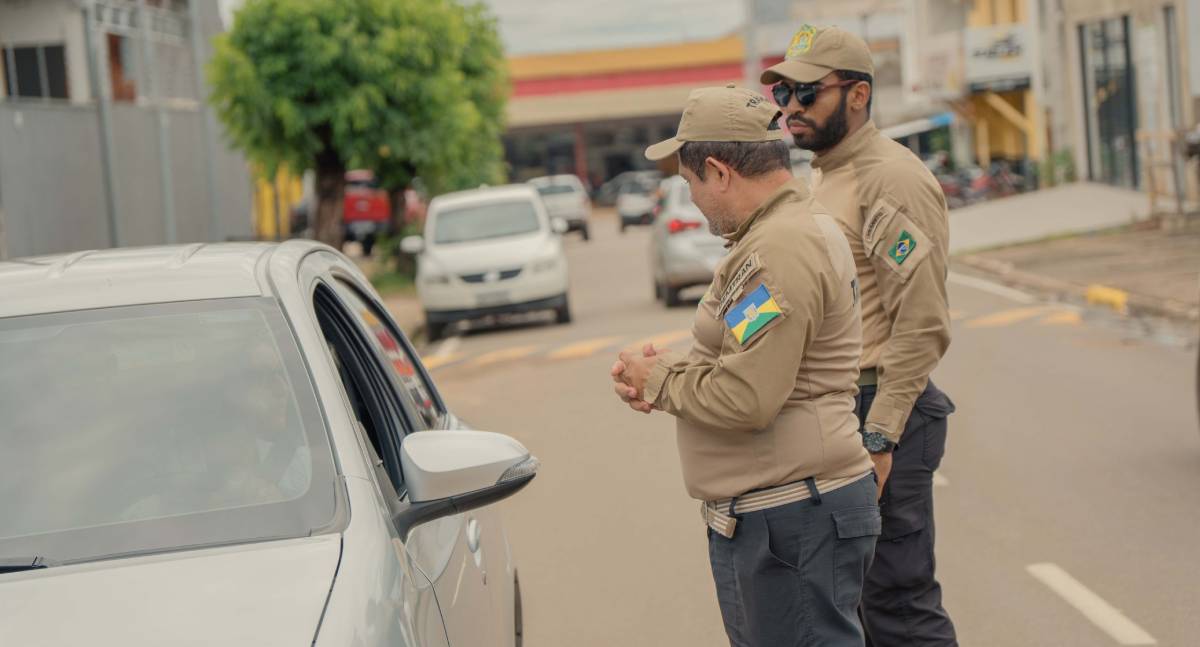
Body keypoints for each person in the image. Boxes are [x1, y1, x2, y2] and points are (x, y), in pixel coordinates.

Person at [612, 84, 880, 647]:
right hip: (780, 516)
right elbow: (752, 358)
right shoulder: (779, 234)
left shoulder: (780, 247)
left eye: (690, 185)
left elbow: (748, 397)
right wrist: (670, 372)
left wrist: (658, 381)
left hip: (793, 519)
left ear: (718, 170)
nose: (694, 199)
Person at [761, 24, 958, 647]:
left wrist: (881, 434)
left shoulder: (889, 179)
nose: (791, 107)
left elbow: (921, 321)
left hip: (881, 412)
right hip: (841, 410)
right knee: (855, 605)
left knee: (898, 604)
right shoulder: (825, 176)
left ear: (858, 94)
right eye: (783, 94)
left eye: (806, 92)